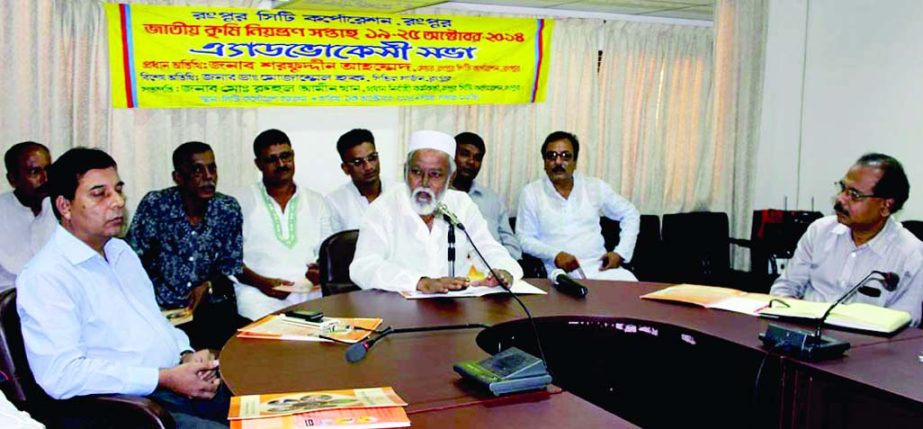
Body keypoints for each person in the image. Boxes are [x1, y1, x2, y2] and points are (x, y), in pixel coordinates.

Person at [16, 148, 228, 428]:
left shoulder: (120, 252)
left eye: (117, 190)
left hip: (170, 385)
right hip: (126, 410)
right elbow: (61, 375)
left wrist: (186, 354)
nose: (117, 202)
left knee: (268, 407)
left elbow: (153, 321)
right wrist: (163, 377)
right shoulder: (46, 276)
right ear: (64, 206)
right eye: (99, 194)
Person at [350, 130, 523, 294]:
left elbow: (488, 249)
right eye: (416, 172)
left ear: (451, 178)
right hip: (399, 311)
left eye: (435, 174)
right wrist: (420, 282)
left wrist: (502, 271)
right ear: (405, 172)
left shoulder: (461, 205)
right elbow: (364, 267)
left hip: (455, 308)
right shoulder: (383, 209)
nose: (424, 183)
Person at [770, 153, 923, 327]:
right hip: (802, 336)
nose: (840, 198)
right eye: (843, 188)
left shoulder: (912, 255)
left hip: (864, 347)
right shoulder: (820, 231)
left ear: (885, 206)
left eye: (854, 194)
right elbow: (785, 288)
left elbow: (904, 323)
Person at [126, 142, 249, 350]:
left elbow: (231, 265)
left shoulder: (228, 209)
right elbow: (131, 259)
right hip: (160, 312)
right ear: (178, 177)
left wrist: (208, 285)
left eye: (212, 168)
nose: (208, 177)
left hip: (208, 310)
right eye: (197, 170)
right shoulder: (156, 205)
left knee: (249, 344)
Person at [234, 129, 331, 320]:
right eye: (272, 159)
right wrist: (262, 283)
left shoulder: (316, 201)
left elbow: (326, 249)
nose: (281, 164)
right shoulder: (238, 202)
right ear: (258, 164)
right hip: (258, 295)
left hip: (308, 292)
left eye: (286, 156)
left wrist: (320, 270)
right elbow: (229, 260)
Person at [516, 131, 640, 281]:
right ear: (544, 162)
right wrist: (555, 255)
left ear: (575, 162)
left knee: (631, 289)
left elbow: (630, 213)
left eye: (566, 156)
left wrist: (621, 253)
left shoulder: (594, 187)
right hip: (558, 272)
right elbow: (524, 238)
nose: (558, 162)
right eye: (552, 156)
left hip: (601, 269)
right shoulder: (531, 193)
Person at [451, 132, 522, 260]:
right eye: (465, 154)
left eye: (477, 158)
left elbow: (510, 242)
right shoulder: (438, 198)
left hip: (495, 272)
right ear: (451, 156)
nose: (471, 162)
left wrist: (505, 267)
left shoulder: (491, 199)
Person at [0, 142, 56, 292]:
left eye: (48, 170)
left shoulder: (64, 208)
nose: (45, 179)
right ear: (13, 179)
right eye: (34, 172)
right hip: (10, 300)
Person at [325, 128, 394, 233]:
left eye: (372, 158)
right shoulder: (335, 202)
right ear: (345, 168)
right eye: (358, 162)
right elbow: (334, 246)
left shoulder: (399, 193)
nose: (368, 167)